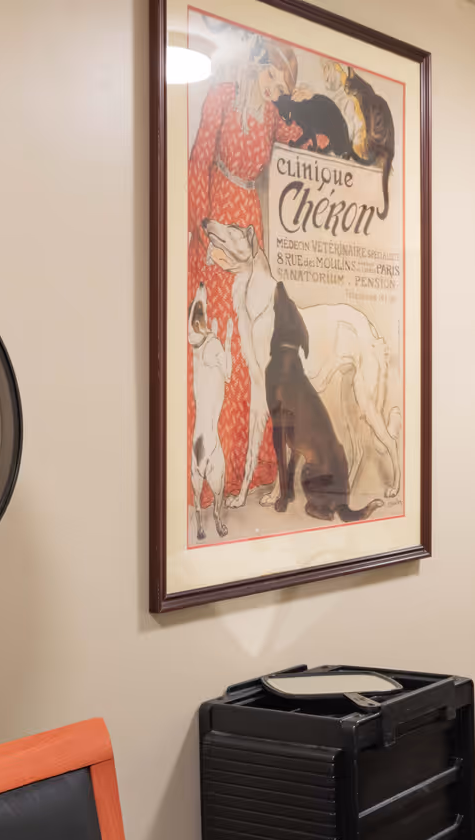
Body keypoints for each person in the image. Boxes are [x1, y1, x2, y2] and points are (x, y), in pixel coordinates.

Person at [185, 37, 310, 516]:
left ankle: (242, 464)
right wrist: (199, 227)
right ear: (262, 66)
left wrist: (306, 114)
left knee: (247, 340)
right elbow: (198, 157)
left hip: (249, 221)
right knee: (216, 335)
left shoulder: (275, 116)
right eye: (276, 78)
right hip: (218, 208)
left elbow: (299, 136)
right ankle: (208, 467)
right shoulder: (222, 95)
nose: (278, 87)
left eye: (285, 84)